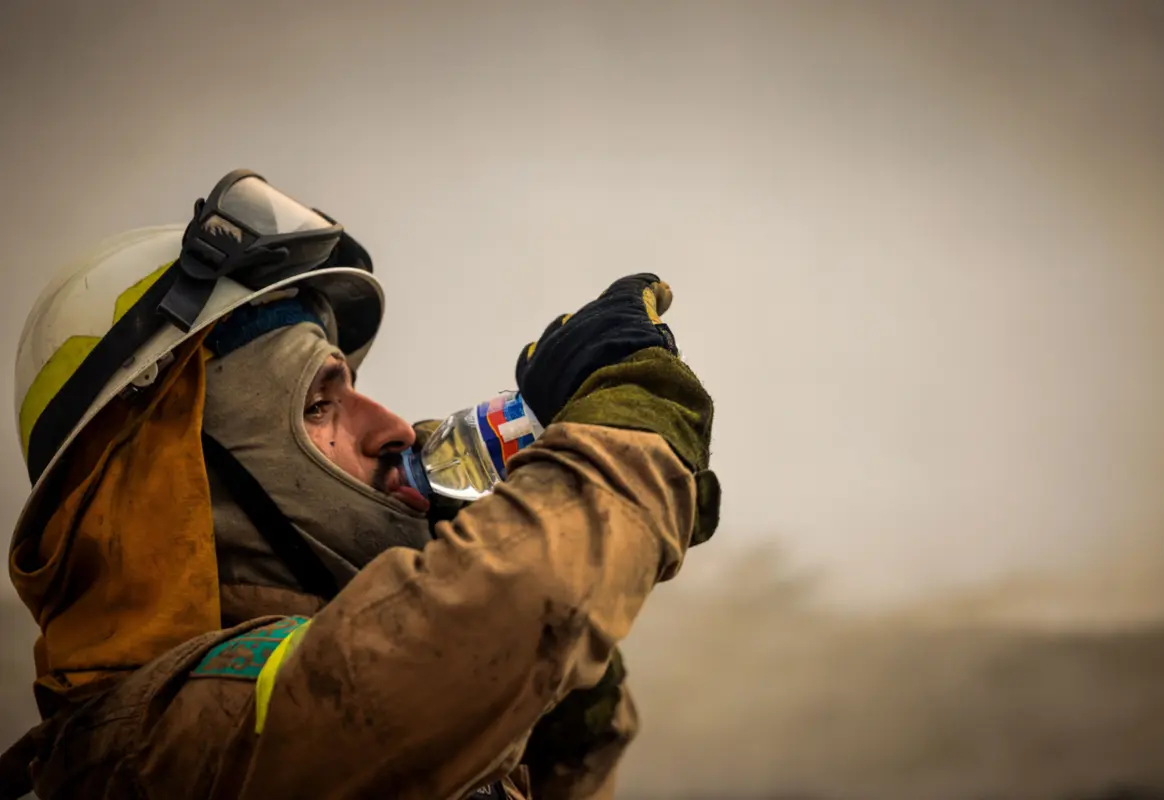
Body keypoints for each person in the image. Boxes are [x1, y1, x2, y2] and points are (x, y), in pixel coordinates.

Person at [0, 169, 720, 799]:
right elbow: (477, 632)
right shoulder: (155, 744)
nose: (396, 429)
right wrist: (631, 433)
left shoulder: (327, 684)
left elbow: (518, 697)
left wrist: (561, 686)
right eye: (318, 405)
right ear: (174, 486)